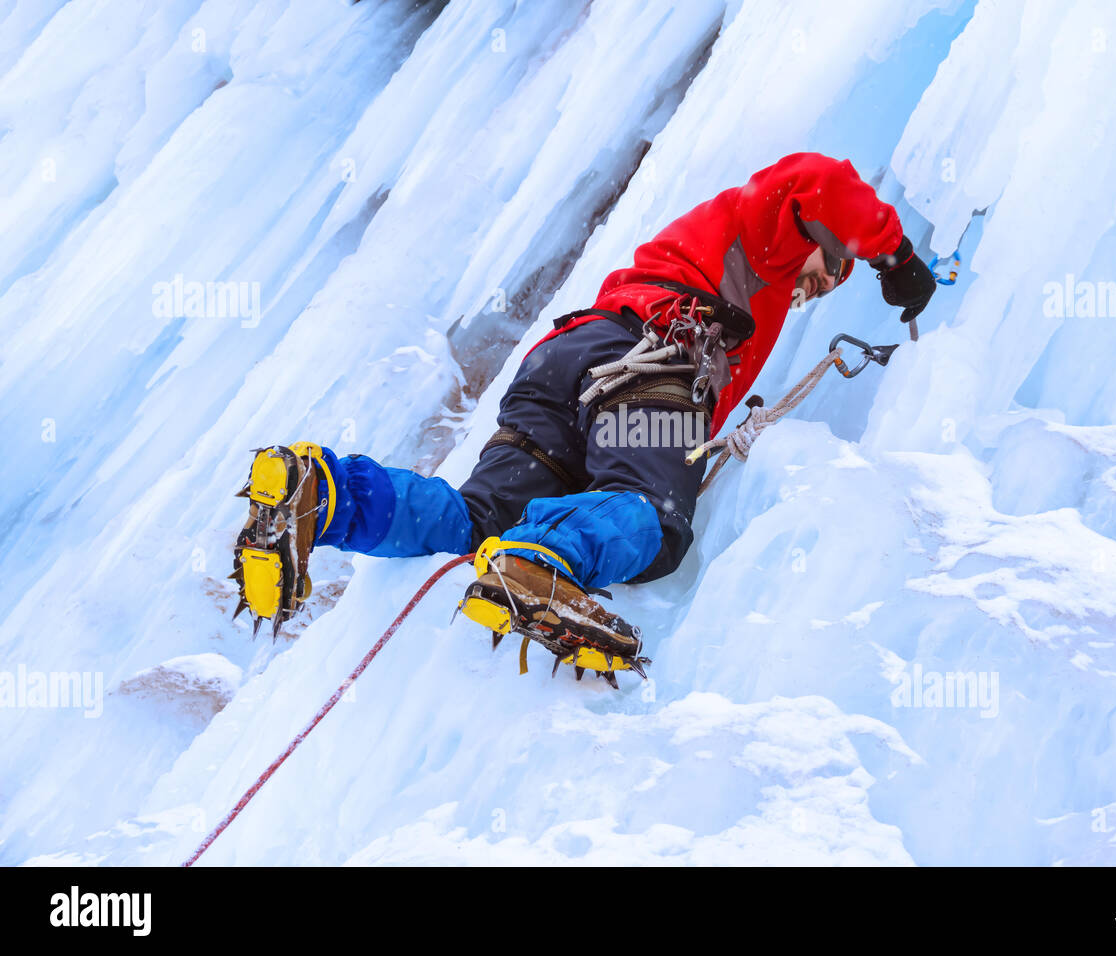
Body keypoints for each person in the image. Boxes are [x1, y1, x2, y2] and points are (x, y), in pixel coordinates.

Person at [231, 152, 936, 680]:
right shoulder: (764, 233)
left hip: (564, 362)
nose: (826, 280)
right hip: (651, 365)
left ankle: (325, 494)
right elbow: (821, 181)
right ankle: (547, 562)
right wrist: (894, 254)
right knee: (650, 517)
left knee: (480, 520)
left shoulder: (754, 276)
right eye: (832, 262)